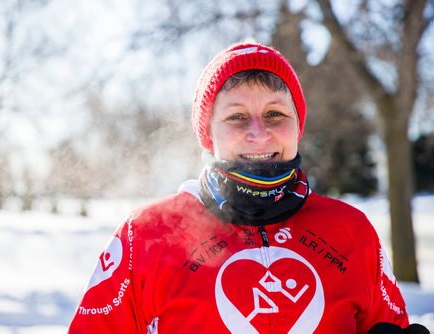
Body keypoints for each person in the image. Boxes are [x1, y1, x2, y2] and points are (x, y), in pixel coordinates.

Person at [68, 42, 429, 333]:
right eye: (237, 117)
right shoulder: (148, 234)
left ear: (297, 126)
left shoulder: (351, 230)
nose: (259, 133)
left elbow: (387, 323)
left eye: (275, 114)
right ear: (208, 134)